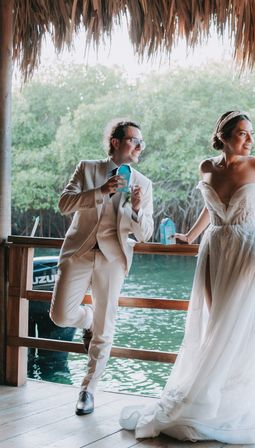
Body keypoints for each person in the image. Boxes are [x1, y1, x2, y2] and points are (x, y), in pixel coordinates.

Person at [119, 111, 255, 443]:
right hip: (213, 247)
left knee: (236, 323)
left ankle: (225, 399)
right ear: (224, 135)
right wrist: (192, 235)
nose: (249, 139)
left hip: (248, 248)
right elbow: (208, 206)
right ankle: (206, 394)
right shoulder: (207, 168)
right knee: (213, 321)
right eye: (242, 133)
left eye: (251, 133)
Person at [49, 119, 154, 415]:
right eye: (134, 140)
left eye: (141, 142)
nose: (139, 147)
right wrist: (102, 191)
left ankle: (88, 390)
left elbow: (145, 233)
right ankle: (87, 320)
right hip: (79, 252)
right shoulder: (87, 169)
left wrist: (135, 210)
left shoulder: (144, 184)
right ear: (116, 142)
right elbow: (64, 204)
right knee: (60, 315)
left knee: (106, 328)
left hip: (113, 258)